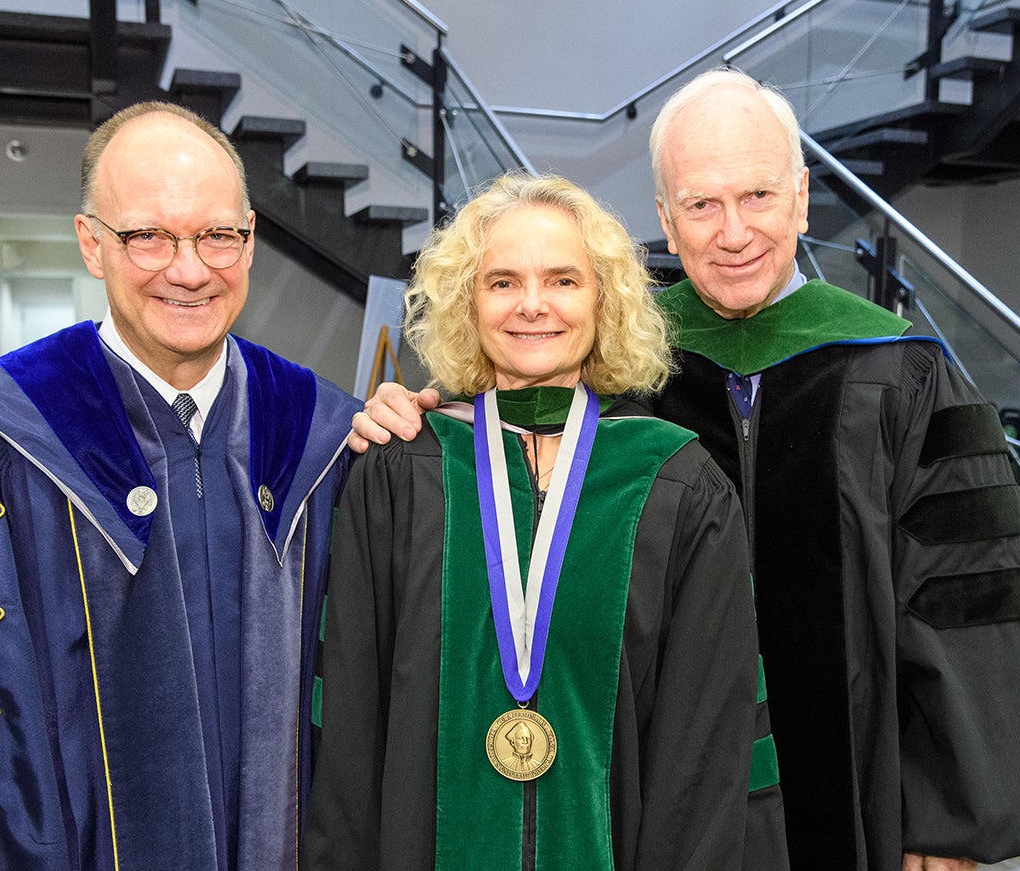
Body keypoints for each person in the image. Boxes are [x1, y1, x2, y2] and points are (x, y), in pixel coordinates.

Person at [353, 69, 1020, 871]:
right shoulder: (612, 357)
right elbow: (499, 423)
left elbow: (965, 595)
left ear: (802, 196)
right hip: (650, 786)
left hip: (858, 787)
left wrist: (944, 815)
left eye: (759, 196)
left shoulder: (902, 372)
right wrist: (413, 408)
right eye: (700, 204)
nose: (733, 232)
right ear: (665, 217)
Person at [0, 101, 361, 870]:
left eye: (216, 235)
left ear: (250, 239)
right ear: (90, 243)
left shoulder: (328, 437)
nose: (190, 268)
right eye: (147, 236)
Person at [304, 173, 787, 870]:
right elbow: (347, 730)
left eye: (563, 280)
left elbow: (708, 749)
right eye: (502, 282)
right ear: (468, 303)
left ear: (604, 300)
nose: (533, 305)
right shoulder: (399, 473)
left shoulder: (677, 484)